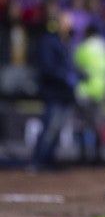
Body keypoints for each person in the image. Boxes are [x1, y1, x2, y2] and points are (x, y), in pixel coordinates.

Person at [32, 10, 78, 170]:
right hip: (53, 92)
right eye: (67, 21)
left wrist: (77, 74)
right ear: (59, 23)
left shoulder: (65, 41)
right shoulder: (50, 41)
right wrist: (66, 76)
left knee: (57, 128)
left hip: (64, 94)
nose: (70, 24)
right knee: (50, 127)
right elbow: (48, 67)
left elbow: (68, 66)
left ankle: (50, 159)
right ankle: (39, 161)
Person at [73, 23, 105, 164]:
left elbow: (76, 68)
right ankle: (98, 156)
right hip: (101, 90)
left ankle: (83, 157)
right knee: (98, 124)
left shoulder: (83, 47)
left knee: (82, 124)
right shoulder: (104, 47)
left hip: (85, 91)